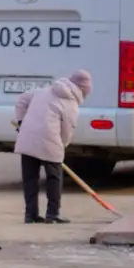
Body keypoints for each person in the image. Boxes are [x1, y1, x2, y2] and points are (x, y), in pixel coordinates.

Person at [13, 69, 92, 224]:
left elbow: (21, 100)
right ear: (83, 89)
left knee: (30, 179)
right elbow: (67, 130)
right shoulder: (71, 104)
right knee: (54, 178)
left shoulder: (44, 91)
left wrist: (21, 122)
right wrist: (61, 147)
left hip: (27, 137)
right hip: (50, 141)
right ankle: (52, 214)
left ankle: (31, 215)